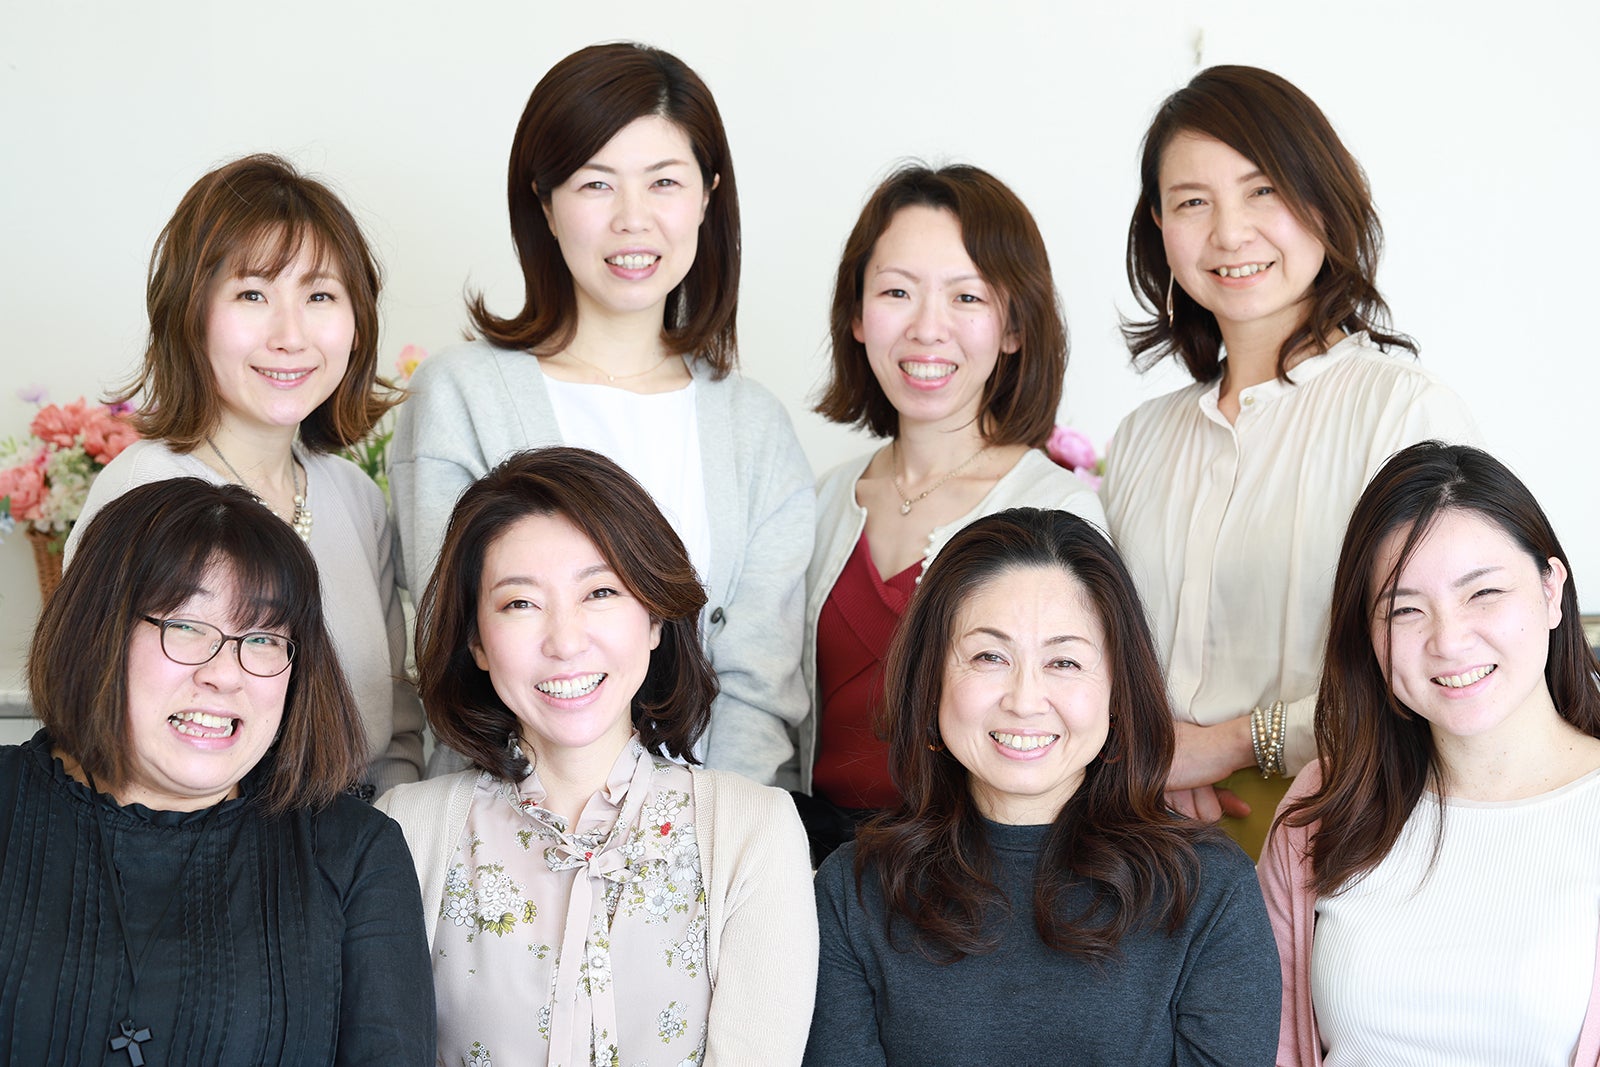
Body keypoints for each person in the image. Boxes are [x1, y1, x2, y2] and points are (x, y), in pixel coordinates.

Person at [389, 42, 811, 786]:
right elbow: (456, 653)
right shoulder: (461, 396)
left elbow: (757, 690)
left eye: (664, 182)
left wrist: (705, 836)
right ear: (545, 203)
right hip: (501, 825)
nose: (632, 219)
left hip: (710, 830)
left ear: (707, 197)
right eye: (596, 184)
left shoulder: (756, 429)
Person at [1100, 65, 1479, 854]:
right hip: (1144, 842)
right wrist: (1150, 753)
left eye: (1263, 190)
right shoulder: (1140, 439)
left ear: (1323, 199)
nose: (1230, 233)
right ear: (1158, 225)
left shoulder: (1403, 414)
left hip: (1341, 836)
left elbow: (1442, 658)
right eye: (1192, 202)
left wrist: (1228, 744)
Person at [377, 447, 816, 1067]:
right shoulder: (407, 830)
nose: (565, 642)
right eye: (520, 603)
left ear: (655, 619)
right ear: (476, 641)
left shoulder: (753, 831)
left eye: (600, 592)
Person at [805, 508, 1279, 1067]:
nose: (1025, 700)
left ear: (1117, 689)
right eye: (989, 656)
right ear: (930, 678)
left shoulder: (1207, 887)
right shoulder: (853, 888)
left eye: (1064, 662)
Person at [0, 478, 434, 1064]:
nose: (225, 675)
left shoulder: (355, 854)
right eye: (185, 625)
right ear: (96, 629)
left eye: (262, 638)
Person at [66, 153, 423, 795]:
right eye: (252, 294)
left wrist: (388, 847)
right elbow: (91, 730)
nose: (290, 335)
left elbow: (391, 735)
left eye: (320, 296)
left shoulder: (355, 499)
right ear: (191, 313)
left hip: (355, 845)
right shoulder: (143, 491)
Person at [798, 163, 1104, 860]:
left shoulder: (1057, 510)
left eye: (966, 296)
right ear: (856, 316)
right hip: (813, 866)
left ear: (1013, 327)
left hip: (976, 874)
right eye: (896, 292)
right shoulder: (821, 499)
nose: (927, 328)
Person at [1260, 442, 1600, 1065]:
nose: (1449, 641)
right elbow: (1269, 1045)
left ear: (1552, 590)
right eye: (1406, 609)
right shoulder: (1323, 809)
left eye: (1483, 593)